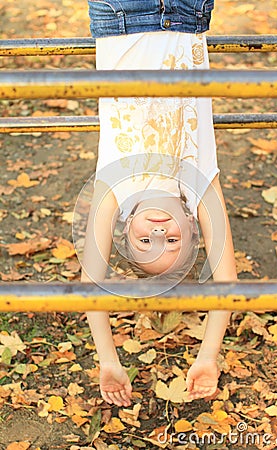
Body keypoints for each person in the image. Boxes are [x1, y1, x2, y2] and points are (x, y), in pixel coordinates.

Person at [79, 0, 238, 407]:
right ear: (190, 225)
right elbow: (229, 284)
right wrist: (208, 356)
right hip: (187, 12)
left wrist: (108, 362)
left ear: (127, 229)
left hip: (122, 15)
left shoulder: (116, 186)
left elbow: (90, 285)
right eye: (171, 243)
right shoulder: (197, 186)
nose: (157, 233)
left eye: (145, 244)